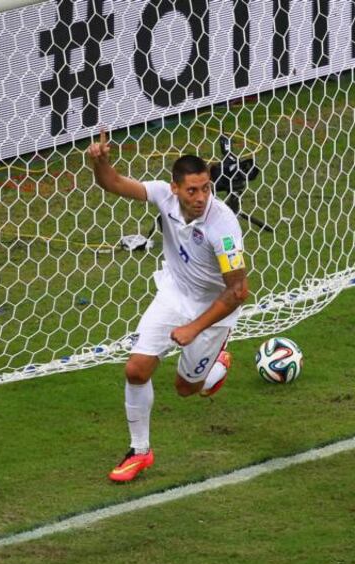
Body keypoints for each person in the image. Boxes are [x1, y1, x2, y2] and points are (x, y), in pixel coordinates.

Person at [86, 129, 250, 483]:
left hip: (213, 311)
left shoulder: (223, 226)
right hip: (173, 295)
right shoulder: (163, 195)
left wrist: (195, 328)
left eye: (206, 188)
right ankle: (140, 451)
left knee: (186, 389)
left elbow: (238, 291)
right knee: (135, 370)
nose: (201, 197)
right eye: (192, 190)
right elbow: (112, 182)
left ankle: (217, 362)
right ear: (175, 188)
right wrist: (100, 163)